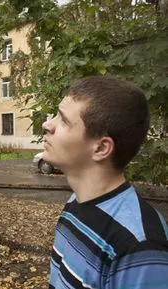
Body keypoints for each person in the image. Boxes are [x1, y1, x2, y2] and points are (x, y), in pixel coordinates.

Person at [43, 76, 168, 288]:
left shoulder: (140, 247)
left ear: (101, 149)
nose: (47, 124)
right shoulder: (76, 203)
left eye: (64, 120)